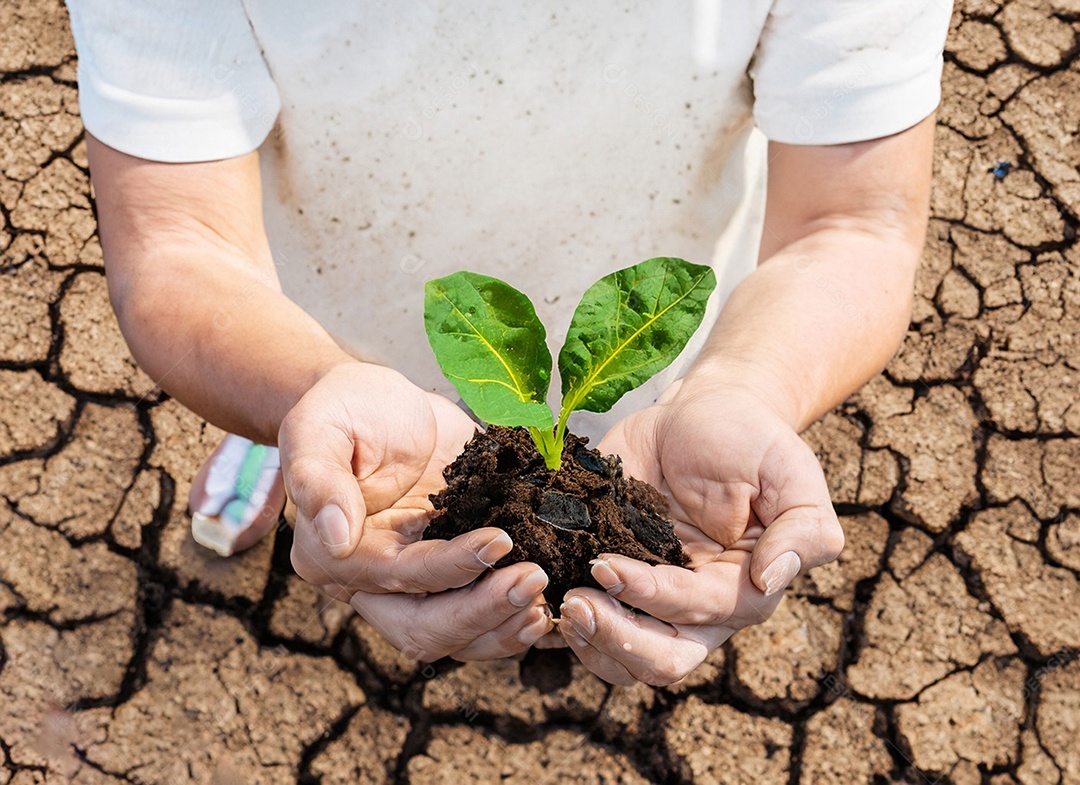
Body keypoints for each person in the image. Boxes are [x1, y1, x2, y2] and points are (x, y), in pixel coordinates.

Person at [66, 0, 950, 685]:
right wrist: (305, 386)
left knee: (592, 523)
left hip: (672, 364)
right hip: (303, 324)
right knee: (319, 424)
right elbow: (182, 242)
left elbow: (850, 222)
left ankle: (329, 436)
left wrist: (746, 386)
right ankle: (299, 432)